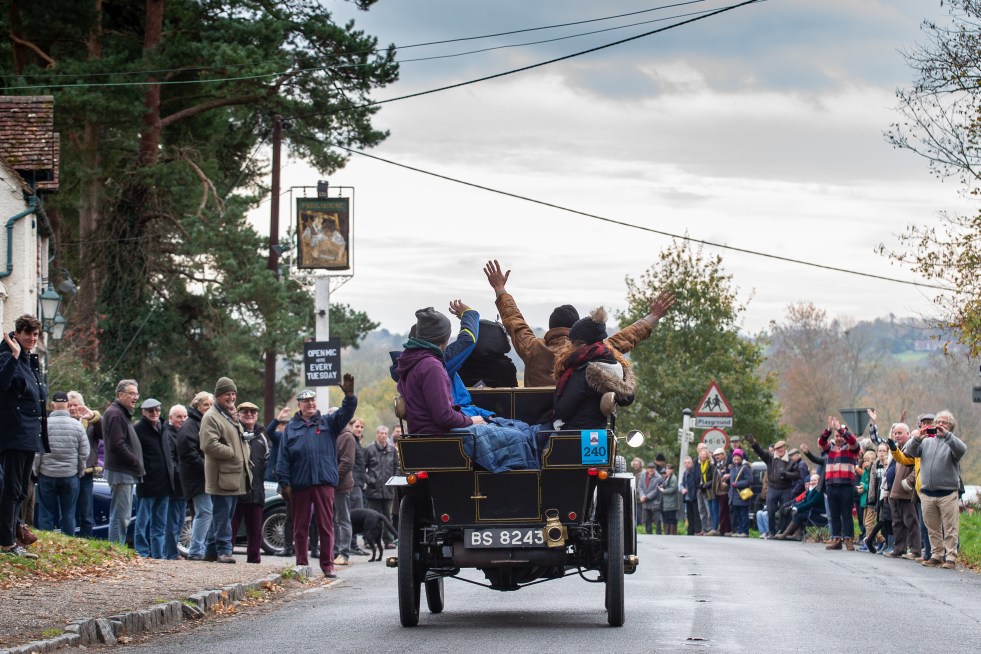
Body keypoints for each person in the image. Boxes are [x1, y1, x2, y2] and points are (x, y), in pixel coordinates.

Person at [483, 260, 675, 386]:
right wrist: (652, 317)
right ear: (577, 329)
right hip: (577, 428)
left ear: (551, 328)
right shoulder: (590, 351)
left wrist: (500, 289)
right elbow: (624, 338)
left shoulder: (533, 349)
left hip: (537, 427)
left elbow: (515, 324)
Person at [278, 375, 357, 580]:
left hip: (324, 482)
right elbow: (283, 458)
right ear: (300, 405)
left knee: (326, 525)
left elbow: (347, 412)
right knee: (300, 526)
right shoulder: (290, 429)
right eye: (306, 401)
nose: (311, 404)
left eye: (313, 401)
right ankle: (302, 564)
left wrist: (349, 395)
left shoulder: (329, 422)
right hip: (301, 483)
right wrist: (284, 483)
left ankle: (327, 565)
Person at [0, 316, 48, 558]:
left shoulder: (30, 361)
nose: (31, 338)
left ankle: (15, 530)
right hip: (14, 434)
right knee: (12, 488)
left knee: (21, 491)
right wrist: (15, 355)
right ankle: (7, 543)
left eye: (35, 335)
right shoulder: (8, 355)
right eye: (27, 333)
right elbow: (1, 383)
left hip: (29, 435)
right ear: (17, 333)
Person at [552, 307, 635, 431]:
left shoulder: (584, 372)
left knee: (537, 440)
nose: (569, 346)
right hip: (599, 432)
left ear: (583, 345)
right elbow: (627, 399)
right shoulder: (616, 365)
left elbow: (562, 410)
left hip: (574, 434)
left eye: (572, 342)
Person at [907, 410, 966, 569]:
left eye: (944, 422)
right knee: (932, 527)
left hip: (947, 492)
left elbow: (962, 449)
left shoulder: (952, 442)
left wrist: (947, 435)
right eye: (938, 422)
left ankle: (951, 557)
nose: (939, 424)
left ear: (950, 426)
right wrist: (917, 439)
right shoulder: (927, 441)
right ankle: (937, 555)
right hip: (927, 492)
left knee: (950, 528)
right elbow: (910, 451)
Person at [201, 377, 251, 564]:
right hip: (222, 475)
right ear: (218, 396)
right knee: (222, 516)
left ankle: (210, 551)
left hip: (232, 475)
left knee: (222, 515)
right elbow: (208, 444)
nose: (231, 397)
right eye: (227, 394)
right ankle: (224, 551)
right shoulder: (211, 416)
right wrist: (233, 452)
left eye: (233, 393)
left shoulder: (228, 415)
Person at [34, 391, 88, 536]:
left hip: (47, 474)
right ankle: (69, 546)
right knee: (68, 515)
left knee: (46, 514)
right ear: (67, 406)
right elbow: (84, 453)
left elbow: (37, 452)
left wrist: (36, 471)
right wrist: (80, 470)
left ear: (52, 406)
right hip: (70, 475)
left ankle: (46, 546)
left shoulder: (43, 425)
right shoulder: (77, 426)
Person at [103, 379, 144, 546]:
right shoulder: (115, 414)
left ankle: (116, 551)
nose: (135, 397)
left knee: (122, 515)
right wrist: (136, 461)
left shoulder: (121, 413)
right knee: (120, 516)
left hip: (124, 472)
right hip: (121, 472)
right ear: (120, 395)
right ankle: (115, 552)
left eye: (136, 394)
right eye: (131, 393)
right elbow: (117, 444)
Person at [231, 401, 270, 564]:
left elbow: (267, 462)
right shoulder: (234, 432)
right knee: (231, 527)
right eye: (245, 412)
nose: (249, 415)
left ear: (257, 416)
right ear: (238, 414)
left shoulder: (262, 437)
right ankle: (225, 556)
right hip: (236, 490)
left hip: (256, 491)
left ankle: (254, 561)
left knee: (255, 530)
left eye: (252, 412)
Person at [177, 392, 214, 561]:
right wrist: (208, 467)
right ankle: (196, 549)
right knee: (205, 512)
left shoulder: (202, 423)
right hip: (196, 477)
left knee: (203, 512)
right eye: (206, 404)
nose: (209, 408)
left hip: (203, 476)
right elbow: (189, 453)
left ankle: (200, 547)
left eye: (211, 404)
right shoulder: (190, 425)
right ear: (196, 406)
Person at [134, 398, 172, 559]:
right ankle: (141, 553)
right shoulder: (138, 429)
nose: (154, 413)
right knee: (142, 522)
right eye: (151, 411)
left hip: (164, 483)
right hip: (147, 482)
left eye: (157, 410)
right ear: (144, 412)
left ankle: (158, 555)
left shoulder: (163, 427)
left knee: (160, 524)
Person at [818, 416, 861, 551]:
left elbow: (853, 441)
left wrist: (841, 429)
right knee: (834, 514)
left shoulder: (852, 448)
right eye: (836, 435)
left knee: (846, 513)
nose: (839, 438)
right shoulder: (829, 448)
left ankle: (848, 539)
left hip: (846, 485)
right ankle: (836, 538)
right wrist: (829, 430)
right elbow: (821, 441)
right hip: (831, 485)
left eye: (841, 435)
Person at [744, 435, 799, 539]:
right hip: (772, 488)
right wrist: (753, 443)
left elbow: (797, 475)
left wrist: (786, 474)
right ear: (775, 450)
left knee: (784, 511)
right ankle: (771, 532)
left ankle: (782, 532)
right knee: (770, 510)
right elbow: (760, 451)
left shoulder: (791, 461)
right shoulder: (770, 458)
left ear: (785, 448)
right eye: (778, 449)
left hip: (786, 489)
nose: (780, 450)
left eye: (782, 448)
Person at [69, 391, 103, 539]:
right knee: (67, 511)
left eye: (75, 405)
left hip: (86, 472)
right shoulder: (61, 421)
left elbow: (104, 434)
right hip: (66, 472)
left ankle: (86, 541)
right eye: (69, 405)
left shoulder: (90, 423)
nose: (72, 408)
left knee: (86, 512)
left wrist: (95, 418)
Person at [884, 423, 920, 559]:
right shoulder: (897, 449)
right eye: (895, 433)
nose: (897, 435)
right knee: (897, 522)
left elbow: (916, 468)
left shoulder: (912, 448)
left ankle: (915, 550)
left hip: (906, 491)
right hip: (894, 490)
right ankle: (899, 548)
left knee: (911, 521)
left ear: (908, 434)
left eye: (900, 433)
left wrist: (908, 483)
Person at [364, 425, 399, 549]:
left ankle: (388, 540)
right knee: (371, 517)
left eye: (385, 433)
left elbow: (397, 467)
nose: (383, 435)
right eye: (381, 433)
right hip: (374, 489)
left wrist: (394, 480)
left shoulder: (392, 450)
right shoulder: (369, 449)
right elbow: (362, 468)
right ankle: (369, 540)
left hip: (388, 489)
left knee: (387, 516)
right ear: (377, 434)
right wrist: (370, 481)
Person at [162, 404, 187, 560]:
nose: (182, 420)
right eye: (179, 417)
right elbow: (172, 462)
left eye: (185, 417)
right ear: (171, 418)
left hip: (184, 487)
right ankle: (170, 553)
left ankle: (172, 552)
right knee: (171, 523)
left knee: (179, 521)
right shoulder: (167, 434)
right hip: (173, 486)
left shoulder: (183, 433)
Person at [332, 416, 356, 566]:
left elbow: (347, 463)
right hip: (330, 485)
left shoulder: (347, 437)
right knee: (334, 520)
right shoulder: (333, 435)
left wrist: (332, 478)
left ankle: (344, 553)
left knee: (343, 519)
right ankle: (334, 551)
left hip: (340, 485)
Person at [773, 473, 824, 541]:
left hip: (821, 515)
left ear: (819, 481)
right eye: (811, 480)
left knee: (799, 515)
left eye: (815, 480)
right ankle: (797, 534)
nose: (812, 482)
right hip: (812, 512)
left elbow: (811, 503)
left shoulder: (819, 491)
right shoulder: (810, 490)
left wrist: (798, 508)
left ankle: (784, 535)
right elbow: (804, 501)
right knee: (798, 513)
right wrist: (793, 507)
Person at [727, 448, 753, 537]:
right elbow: (730, 484)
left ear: (741, 458)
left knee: (743, 514)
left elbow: (749, 480)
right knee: (737, 515)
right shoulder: (732, 468)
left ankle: (745, 531)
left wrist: (737, 484)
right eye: (735, 457)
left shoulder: (745, 468)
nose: (736, 459)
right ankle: (739, 530)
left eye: (738, 457)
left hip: (742, 495)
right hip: (734, 496)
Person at [637, 461, 663, 535]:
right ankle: (648, 533)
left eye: (652, 468)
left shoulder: (659, 477)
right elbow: (640, 487)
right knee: (647, 518)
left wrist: (646, 497)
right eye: (649, 468)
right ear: (647, 469)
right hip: (645, 501)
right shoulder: (643, 475)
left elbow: (656, 490)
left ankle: (659, 533)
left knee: (657, 518)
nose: (651, 470)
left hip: (654, 501)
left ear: (655, 469)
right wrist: (642, 495)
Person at [681, 456, 702, 535]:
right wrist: (682, 488)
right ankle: (690, 530)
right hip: (687, 496)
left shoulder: (695, 471)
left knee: (696, 513)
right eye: (685, 463)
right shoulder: (685, 472)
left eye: (688, 463)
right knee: (689, 514)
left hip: (694, 495)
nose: (687, 464)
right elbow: (683, 483)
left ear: (692, 463)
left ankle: (697, 530)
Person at [696, 448, 715, 535]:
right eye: (701, 454)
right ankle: (703, 529)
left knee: (709, 510)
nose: (703, 456)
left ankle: (710, 528)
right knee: (701, 510)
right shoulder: (699, 466)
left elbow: (713, 479)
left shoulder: (711, 466)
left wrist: (705, 485)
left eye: (704, 454)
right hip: (700, 490)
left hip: (708, 490)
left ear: (707, 456)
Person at [660, 462, 680, 535]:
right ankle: (667, 531)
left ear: (672, 470)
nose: (667, 471)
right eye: (667, 469)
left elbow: (673, 489)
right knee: (667, 517)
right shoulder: (667, 477)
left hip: (672, 501)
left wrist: (663, 490)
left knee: (672, 517)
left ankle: (672, 532)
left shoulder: (673, 478)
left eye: (669, 469)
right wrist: (662, 486)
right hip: (667, 501)